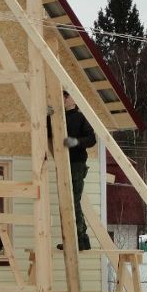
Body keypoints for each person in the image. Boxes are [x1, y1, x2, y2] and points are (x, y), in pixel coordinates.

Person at [49, 91, 97, 251]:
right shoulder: (58, 118)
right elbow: (47, 133)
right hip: (63, 163)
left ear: (72, 99)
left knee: (73, 202)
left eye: (65, 96)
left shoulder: (79, 118)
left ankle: (80, 240)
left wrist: (76, 142)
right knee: (66, 202)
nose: (63, 99)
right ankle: (74, 240)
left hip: (76, 164)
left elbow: (92, 139)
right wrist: (47, 117)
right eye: (61, 97)